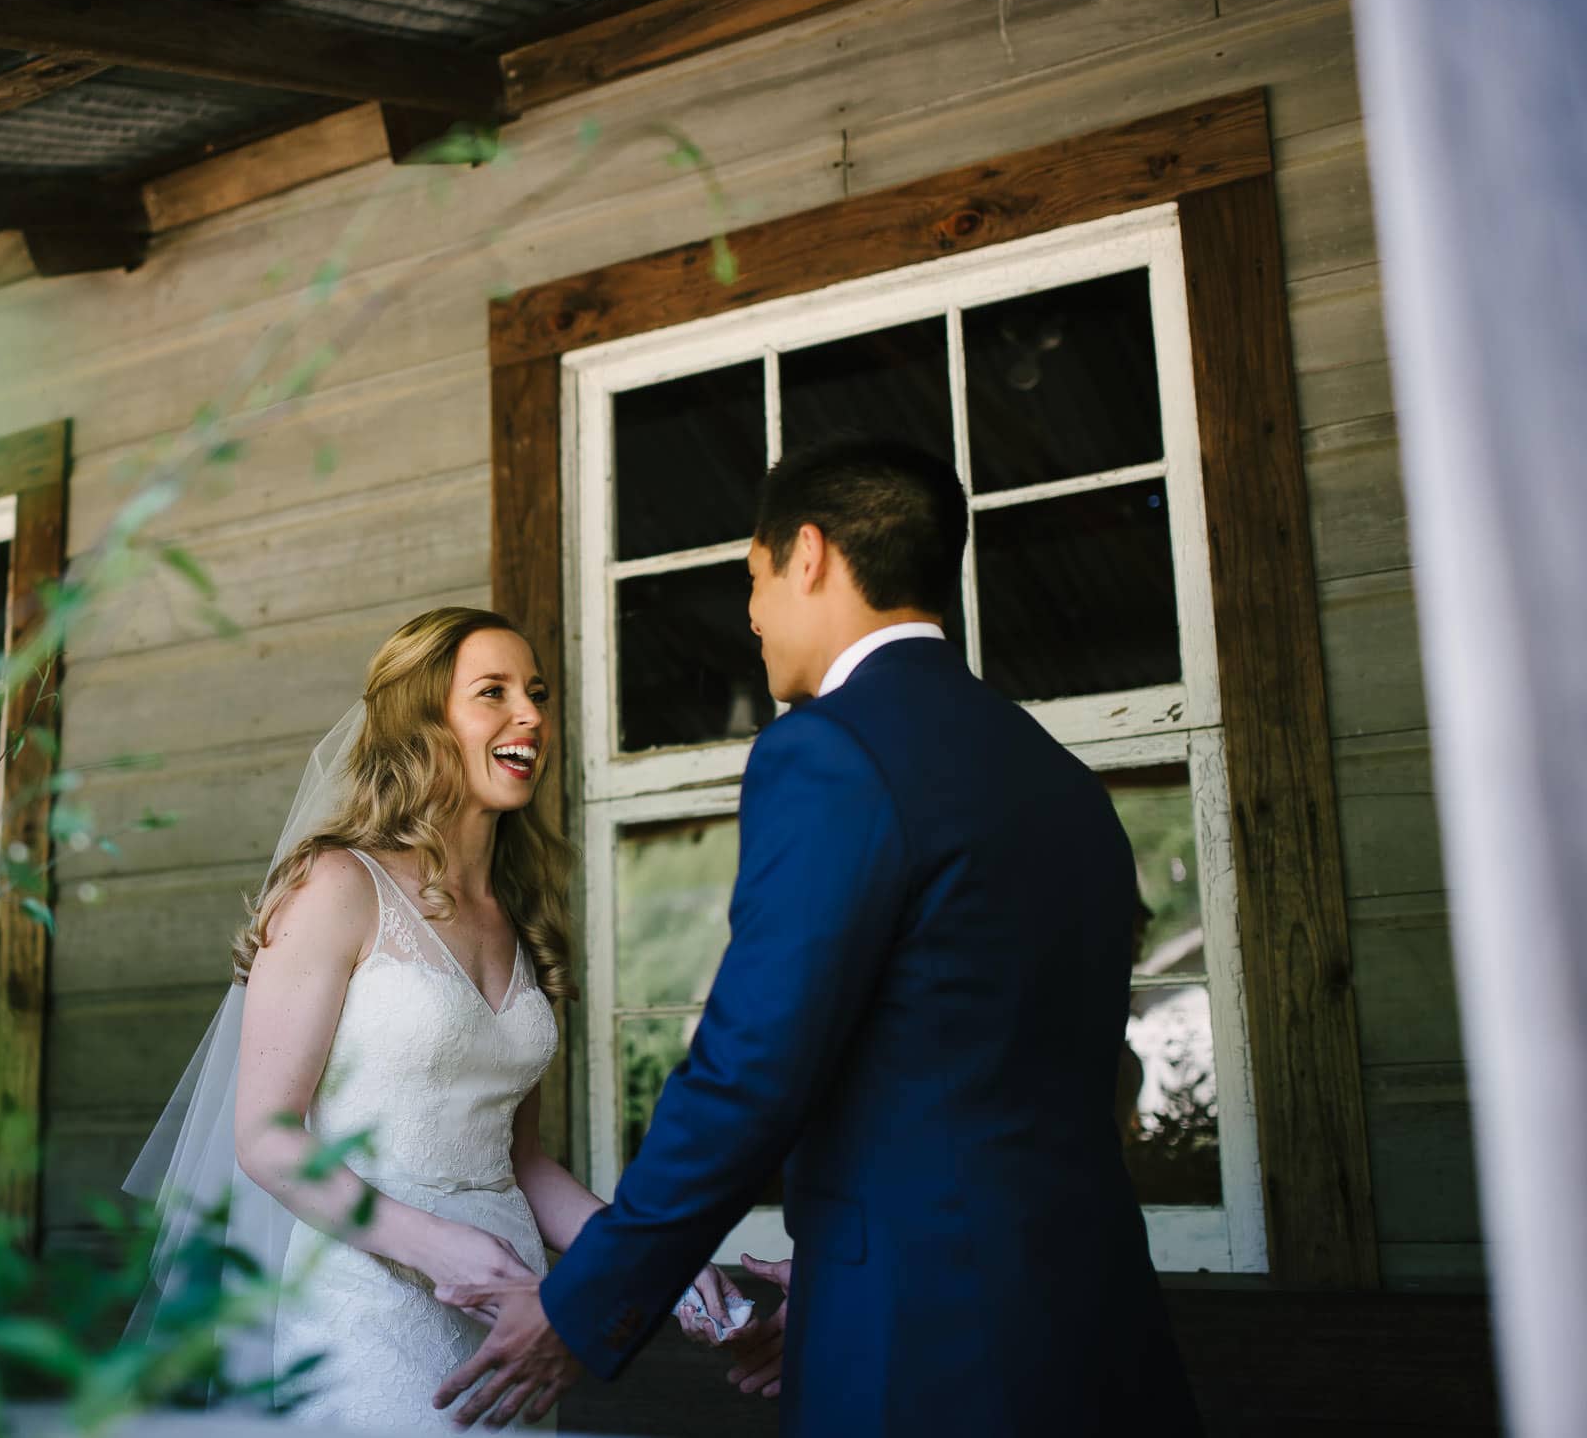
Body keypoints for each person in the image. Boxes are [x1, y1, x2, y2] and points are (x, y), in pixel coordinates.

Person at [431, 441, 1202, 1436]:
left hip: (929, 1347)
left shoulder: (827, 750)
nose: (750, 616)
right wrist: (842, 1258)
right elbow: (991, 1071)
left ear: (807, 555)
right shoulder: (1054, 772)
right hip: (1092, 1317)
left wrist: (583, 1305)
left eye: (752, 579)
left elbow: (752, 1065)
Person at [122, 606, 735, 1430]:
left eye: (537, 692)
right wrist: (435, 1248)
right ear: (423, 722)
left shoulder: (521, 915)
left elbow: (522, 1160)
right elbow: (268, 1139)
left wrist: (650, 1257)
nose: (531, 715)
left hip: (510, 1310)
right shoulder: (337, 887)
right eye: (494, 692)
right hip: (369, 1296)